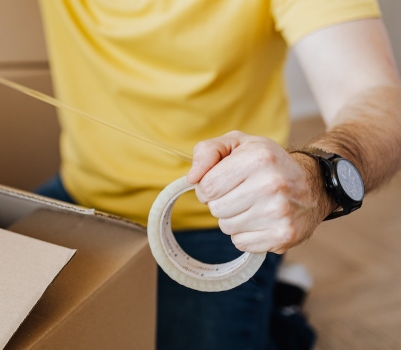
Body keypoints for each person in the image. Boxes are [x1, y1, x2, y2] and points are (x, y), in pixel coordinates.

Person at [34, 0, 401, 349]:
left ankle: (281, 311)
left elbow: (380, 100)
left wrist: (315, 178)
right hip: (79, 193)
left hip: (225, 221)